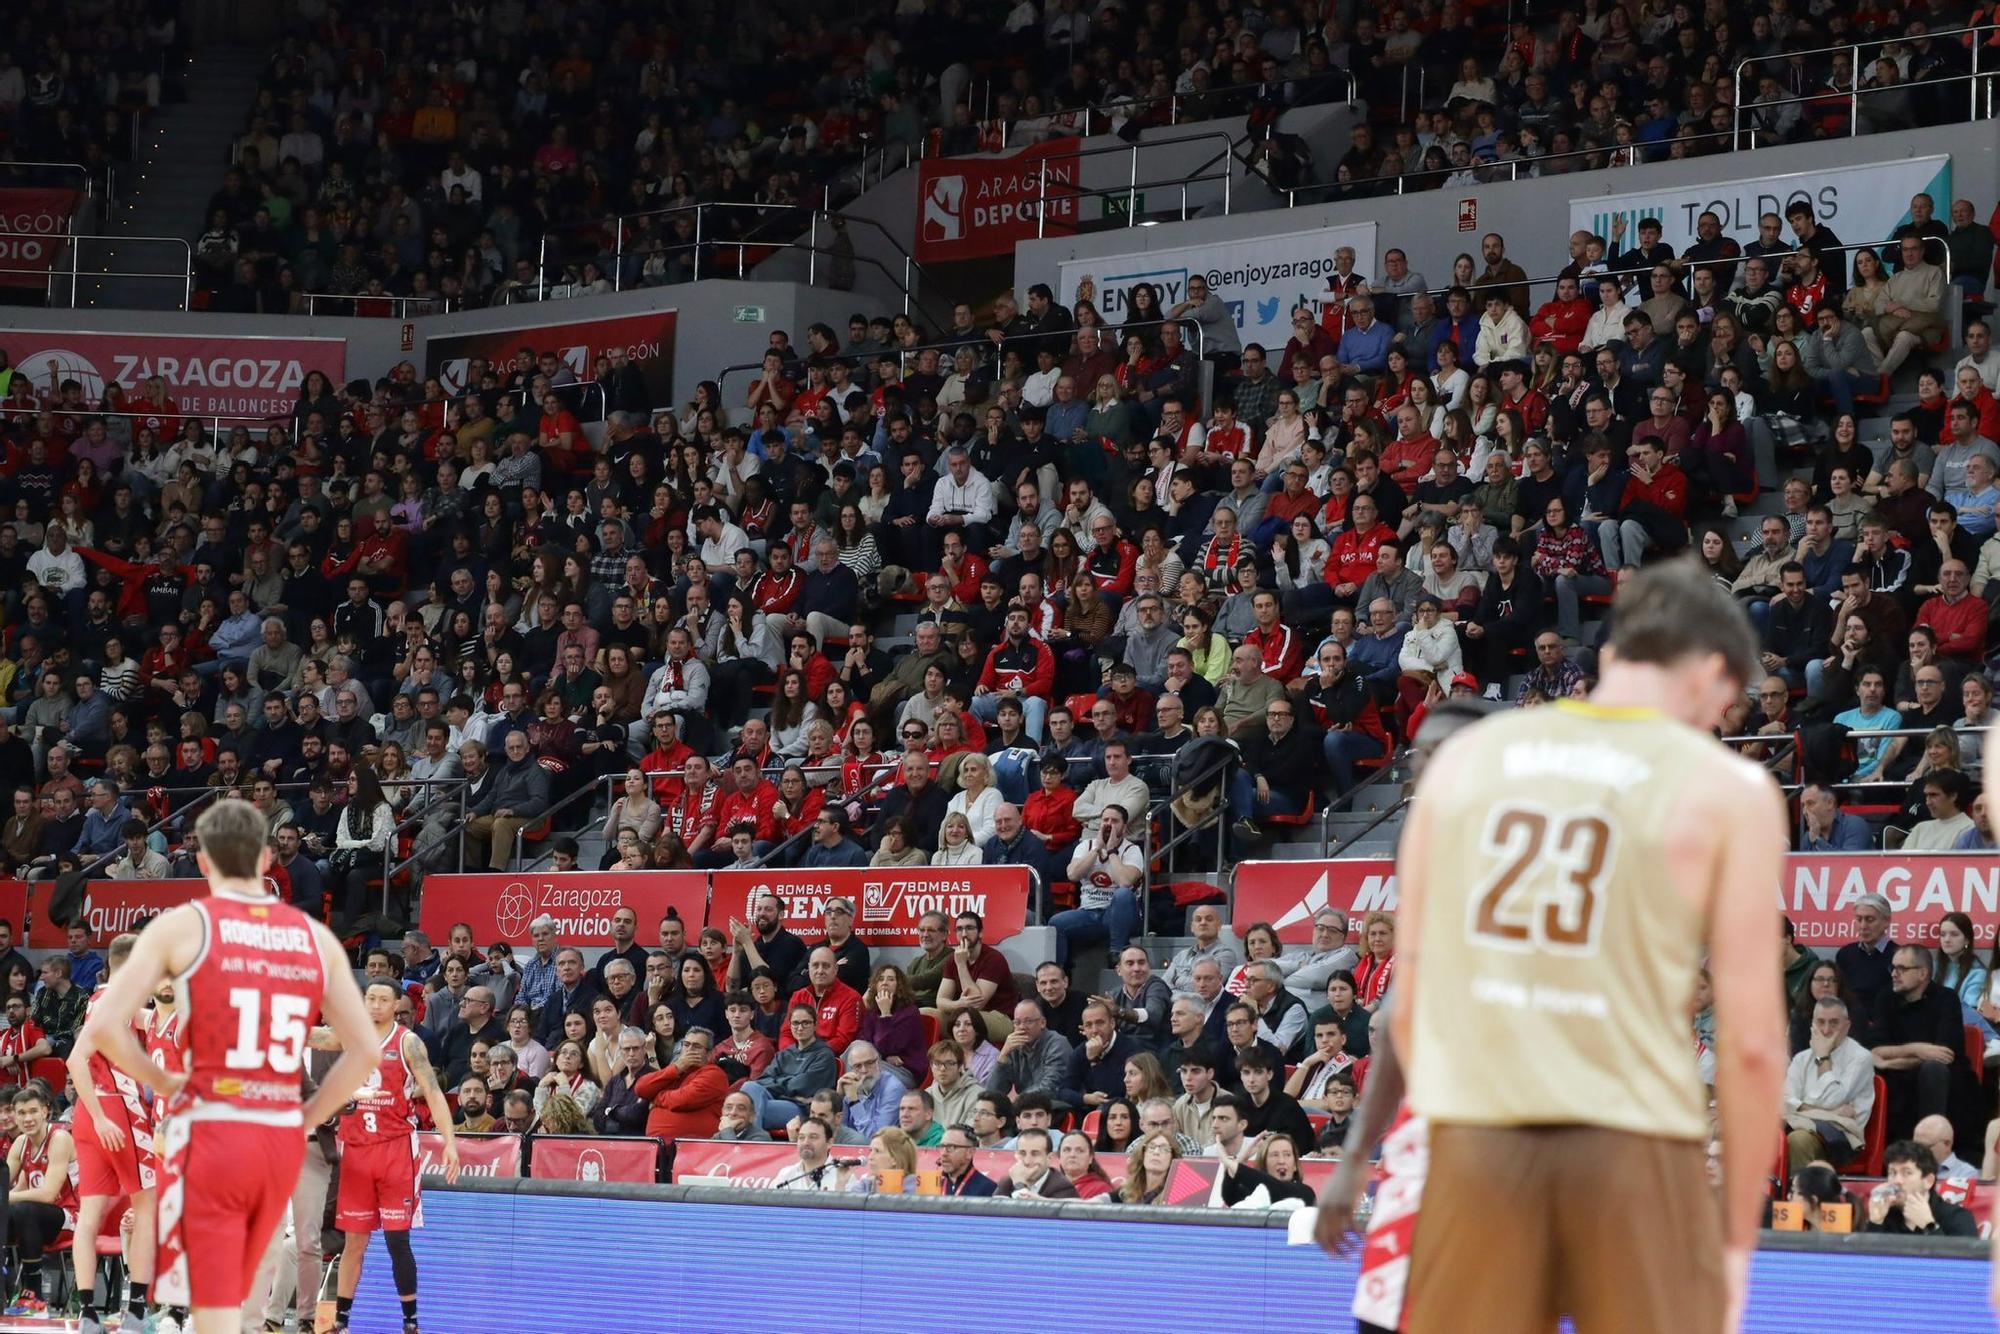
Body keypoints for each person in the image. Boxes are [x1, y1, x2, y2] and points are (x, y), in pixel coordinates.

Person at [1392, 559, 1785, 1333]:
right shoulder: (1728, 789)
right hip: (1635, 1147)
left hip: (1477, 1141)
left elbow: (1410, 1004)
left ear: (1608, 659)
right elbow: (1750, 1046)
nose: (1716, 725)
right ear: (1710, 673)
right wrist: (1736, 1243)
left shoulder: (1465, 760)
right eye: (1724, 707)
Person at [73, 799, 381, 1334]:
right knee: (251, 1284)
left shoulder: (182, 930)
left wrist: (167, 1083)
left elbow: (102, 1028)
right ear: (266, 859)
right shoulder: (313, 939)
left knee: (212, 1294)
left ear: (205, 862)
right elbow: (365, 1051)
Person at [307, 979, 460, 1334]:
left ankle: (410, 1321)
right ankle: (341, 1321)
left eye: (382, 1000)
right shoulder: (349, 1034)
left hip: (395, 1149)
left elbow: (434, 1094)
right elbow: (313, 1036)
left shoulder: (408, 1042)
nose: (374, 1005)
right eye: (370, 998)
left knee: (396, 1240)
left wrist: (448, 1141)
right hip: (357, 1149)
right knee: (354, 1240)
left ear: (396, 1005)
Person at [62, 931, 159, 1334]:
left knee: (90, 1214)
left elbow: (149, 1020)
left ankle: (87, 1314)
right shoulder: (114, 1001)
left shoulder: (104, 998)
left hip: (91, 1112)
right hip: (116, 1110)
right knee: (149, 1205)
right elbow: (74, 1059)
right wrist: (103, 1116)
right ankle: (137, 1310)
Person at [1782, 997, 1875, 1173]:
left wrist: (1823, 1057)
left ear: (1847, 1026)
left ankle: (1801, 1198)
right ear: (1812, 1024)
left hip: (1840, 1137)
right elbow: (1784, 1101)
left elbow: (1831, 1099)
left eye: (1834, 1023)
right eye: (1820, 1022)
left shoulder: (1861, 1058)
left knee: (1798, 1140)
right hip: (1798, 1125)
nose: (1826, 1030)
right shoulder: (1802, 1058)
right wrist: (1831, 1113)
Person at [1865, 1140, 1978, 1236]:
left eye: (1907, 1173)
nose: (1897, 1180)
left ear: (1928, 1181)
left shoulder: (1956, 1217)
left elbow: (1962, 1261)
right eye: (1892, 1173)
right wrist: (1875, 1222)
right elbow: (1868, 1261)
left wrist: (1930, 1226)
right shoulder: (1885, 1214)